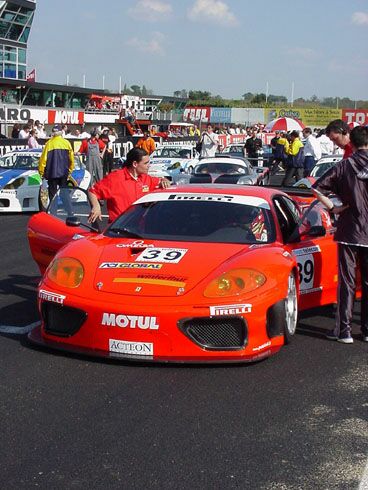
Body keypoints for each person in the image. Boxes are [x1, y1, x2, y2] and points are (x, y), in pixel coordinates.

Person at [312, 126, 368, 344]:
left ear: (350, 143)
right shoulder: (344, 165)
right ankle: (366, 329)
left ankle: (344, 330)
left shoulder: (344, 165)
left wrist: (333, 208)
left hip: (349, 230)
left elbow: (316, 188)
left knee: (347, 281)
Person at [88, 147, 170, 224]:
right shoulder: (116, 178)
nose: (149, 166)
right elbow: (92, 191)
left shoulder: (145, 178)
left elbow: (161, 181)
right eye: (146, 163)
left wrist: (164, 180)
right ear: (135, 164)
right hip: (119, 229)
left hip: (140, 228)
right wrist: (96, 206)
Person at [38, 124, 74, 204]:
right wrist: (70, 171)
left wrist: (41, 172)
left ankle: (53, 212)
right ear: (61, 132)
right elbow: (71, 159)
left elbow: (43, 160)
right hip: (64, 173)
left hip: (52, 173)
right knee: (64, 194)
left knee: (52, 195)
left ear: (53, 132)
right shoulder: (67, 143)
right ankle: (70, 212)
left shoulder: (49, 144)